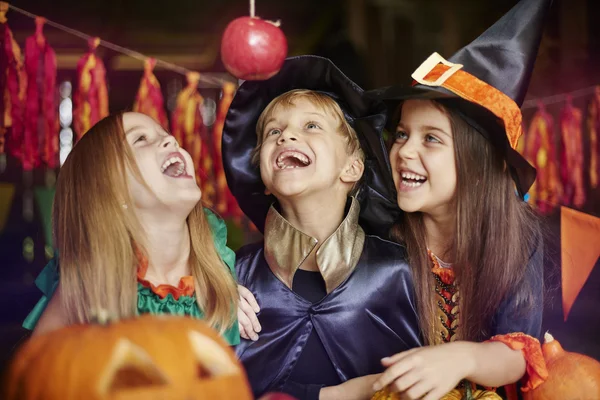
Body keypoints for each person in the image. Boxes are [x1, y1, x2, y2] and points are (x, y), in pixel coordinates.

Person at [367, 0, 551, 398]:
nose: (404, 151)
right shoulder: (377, 227)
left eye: (430, 138)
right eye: (402, 133)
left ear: (479, 164)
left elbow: (519, 351)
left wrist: (463, 358)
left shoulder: (517, 240)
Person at [221, 55, 422, 400]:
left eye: (311, 126)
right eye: (274, 132)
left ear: (353, 168)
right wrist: (210, 291)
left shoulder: (402, 270)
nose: (286, 137)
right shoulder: (232, 276)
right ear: (265, 181)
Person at [23, 112, 240, 345]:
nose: (171, 140)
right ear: (111, 190)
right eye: (141, 139)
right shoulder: (89, 283)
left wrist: (233, 292)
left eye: (166, 134)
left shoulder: (224, 271)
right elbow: (35, 373)